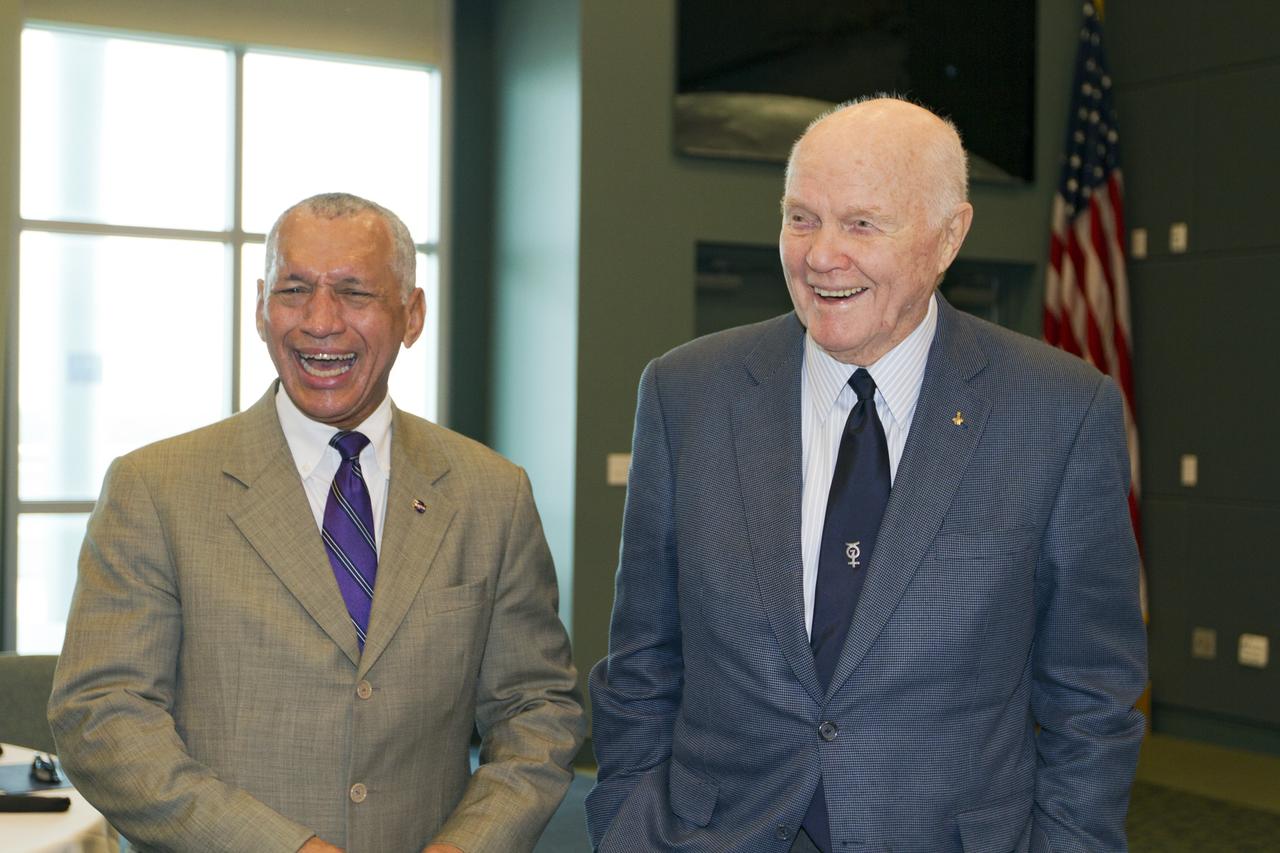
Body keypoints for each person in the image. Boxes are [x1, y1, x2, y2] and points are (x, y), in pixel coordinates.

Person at [586, 97, 1147, 852]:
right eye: (800, 217)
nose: (820, 255)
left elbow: (1092, 699)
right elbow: (642, 664)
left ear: (948, 236)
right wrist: (628, 827)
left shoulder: (1059, 412)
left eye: (861, 223)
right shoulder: (685, 393)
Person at [49, 192, 585, 852]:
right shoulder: (154, 489)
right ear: (260, 306)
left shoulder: (491, 494)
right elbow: (101, 715)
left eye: (355, 292)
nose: (320, 321)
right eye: (295, 289)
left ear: (412, 314)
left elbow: (536, 707)